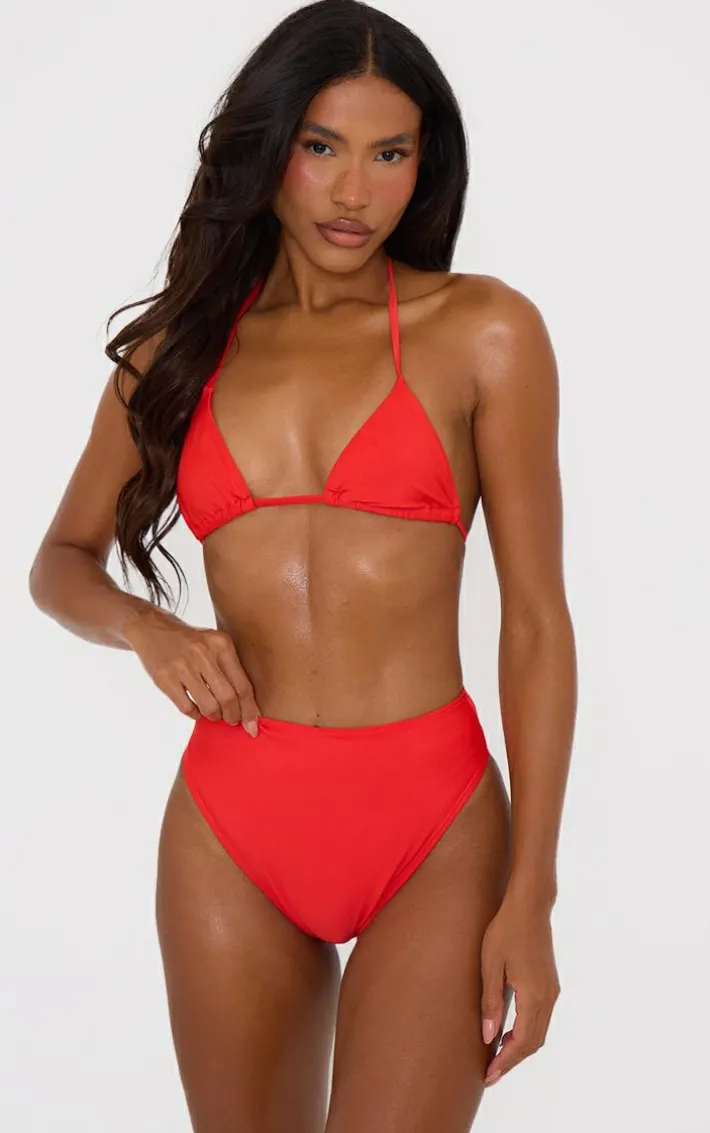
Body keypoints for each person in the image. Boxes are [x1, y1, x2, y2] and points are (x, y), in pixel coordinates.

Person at [28, 0, 577, 1128]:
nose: (352, 191)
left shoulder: (484, 332)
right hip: (232, 820)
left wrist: (533, 892)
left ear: (425, 164)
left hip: (432, 823)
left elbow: (534, 621)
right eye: (321, 146)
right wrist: (148, 628)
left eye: (390, 153)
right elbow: (60, 561)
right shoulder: (176, 351)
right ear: (269, 143)